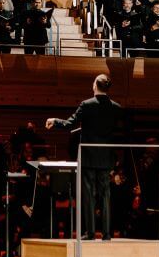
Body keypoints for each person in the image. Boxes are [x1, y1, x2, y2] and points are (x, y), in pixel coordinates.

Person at [45, 74, 126, 241]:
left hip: (89, 157)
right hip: (106, 157)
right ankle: (107, 234)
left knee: (89, 195)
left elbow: (69, 124)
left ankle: (90, 233)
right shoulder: (116, 107)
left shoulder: (87, 105)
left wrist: (55, 120)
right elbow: (123, 130)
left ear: (95, 85)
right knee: (105, 195)